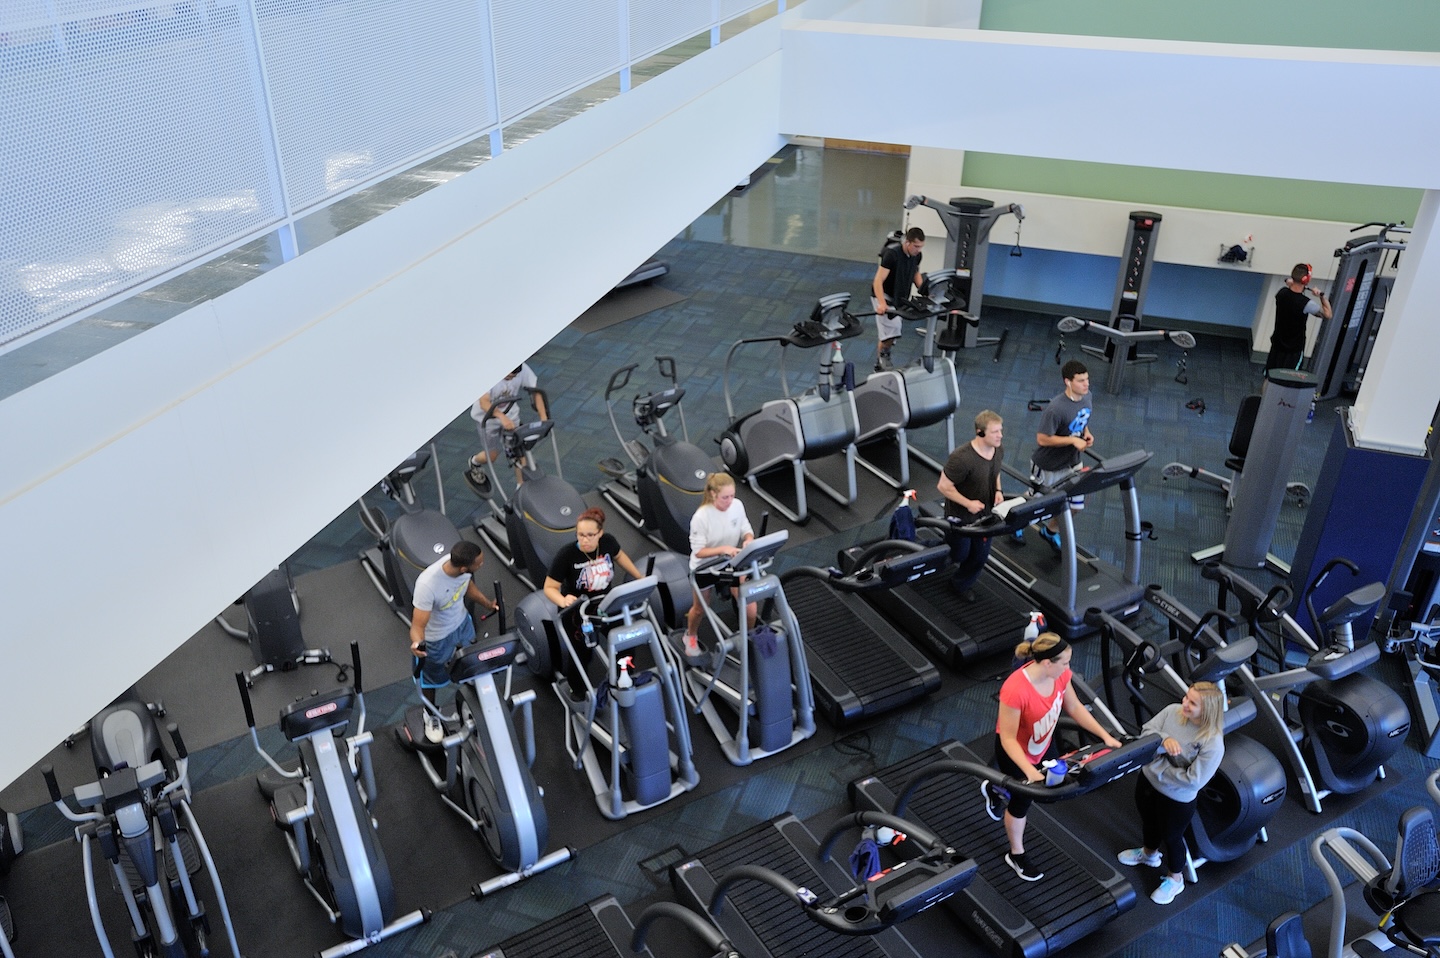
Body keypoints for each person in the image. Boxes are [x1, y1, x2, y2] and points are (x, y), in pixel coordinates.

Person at [983, 632, 1122, 882]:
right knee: (1021, 803)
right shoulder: (1015, 690)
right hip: (1016, 754)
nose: (1069, 668)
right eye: (1065, 662)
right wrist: (1029, 771)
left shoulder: (1059, 675)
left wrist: (1105, 736)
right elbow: (1007, 739)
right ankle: (1016, 854)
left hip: (1043, 745)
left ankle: (995, 788)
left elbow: (1075, 707)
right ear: (1048, 663)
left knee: (1054, 783)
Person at [1116, 682, 1226, 905]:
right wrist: (1164, 739)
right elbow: (1147, 730)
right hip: (1148, 782)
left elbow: (1194, 780)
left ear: (1207, 710)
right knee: (1148, 822)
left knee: (1172, 837)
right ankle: (1149, 854)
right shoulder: (1172, 711)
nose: (1184, 704)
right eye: (1186, 697)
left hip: (1177, 798)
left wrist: (1157, 766)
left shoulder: (1212, 743)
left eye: (1192, 703)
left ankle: (1176, 879)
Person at [543, 507, 644, 690]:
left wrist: (640, 577)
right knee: (582, 653)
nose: (585, 540)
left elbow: (620, 556)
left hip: (605, 603)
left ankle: (622, 677)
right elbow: (549, 588)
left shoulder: (608, 542)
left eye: (590, 535)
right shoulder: (567, 555)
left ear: (600, 534)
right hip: (577, 610)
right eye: (581, 535)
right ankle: (579, 692)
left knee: (626, 641)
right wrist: (562, 600)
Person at [410, 540, 499, 742]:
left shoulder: (462, 572)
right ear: (464, 567)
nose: (483, 564)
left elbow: (467, 586)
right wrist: (417, 644)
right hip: (437, 638)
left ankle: (480, 701)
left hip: (462, 625)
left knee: (473, 664)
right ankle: (431, 715)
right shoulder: (427, 585)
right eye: (480, 563)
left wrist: (487, 603)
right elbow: (417, 626)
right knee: (433, 679)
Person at [683, 473, 756, 658]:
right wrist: (724, 549)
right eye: (725, 497)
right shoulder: (701, 517)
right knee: (700, 609)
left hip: (730, 562)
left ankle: (748, 637)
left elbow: (746, 529)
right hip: (704, 568)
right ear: (714, 494)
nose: (730, 501)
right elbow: (698, 551)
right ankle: (690, 636)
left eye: (732, 496)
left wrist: (748, 540)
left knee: (749, 604)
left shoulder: (737, 506)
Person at [1025, 359, 1094, 552]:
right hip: (1048, 464)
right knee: (1035, 502)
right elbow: (1042, 439)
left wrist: (1086, 433)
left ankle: (1050, 531)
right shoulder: (1055, 408)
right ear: (1068, 382)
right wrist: (1072, 441)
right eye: (1081, 380)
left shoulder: (1087, 396)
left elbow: (1083, 418)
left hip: (1072, 463)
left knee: (1076, 506)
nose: (1086, 384)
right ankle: (1015, 524)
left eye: (1087, 379)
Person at [937, 410, 1006, 602]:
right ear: (980, 432)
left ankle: (959, 585)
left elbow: (996, 472)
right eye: (995, 432)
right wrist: (968, 504)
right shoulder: (961, 458)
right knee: (958, 553)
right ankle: (920, 549)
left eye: (1000, 430)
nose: (1000, 435)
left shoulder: (997, 449)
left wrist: (998, 490)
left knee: (979, 556)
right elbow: (943, 486)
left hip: (985, 515)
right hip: (961, 516)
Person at [465, 363, 549, 496]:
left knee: (519, 451)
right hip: (487, 419)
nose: (511, 378)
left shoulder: (523, 369)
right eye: (508, 376)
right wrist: (501, 417)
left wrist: (544, 418)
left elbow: (536, 392)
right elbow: (484, 403)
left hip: (511, 416)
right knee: (492, 456)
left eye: (514, 376)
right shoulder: (487, 373)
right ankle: (474, 462)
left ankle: (521, 489)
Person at [870, 227, 926, 372]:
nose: (919, 250)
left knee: (890, 334)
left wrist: (926, 292)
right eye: (916, 246)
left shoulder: (917, 256)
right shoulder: (892, 255)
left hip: (899, 298)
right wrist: (882, 303)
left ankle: (879, 362)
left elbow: (915, 273)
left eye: (921, 247)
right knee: (893, 331)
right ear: (907, 242)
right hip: (884, 296)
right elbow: (877, 281)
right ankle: (883, 358)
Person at [1265, 263, 1331, 372]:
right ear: (1306, 280)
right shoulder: (1307, 304)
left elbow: (1290, 288)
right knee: (1288, 380)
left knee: (1270, 376)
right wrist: (1321, 296)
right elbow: (1328, 314)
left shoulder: (1281, 293)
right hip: (1293, 350)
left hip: (1277, 344)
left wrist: (1292, 283)